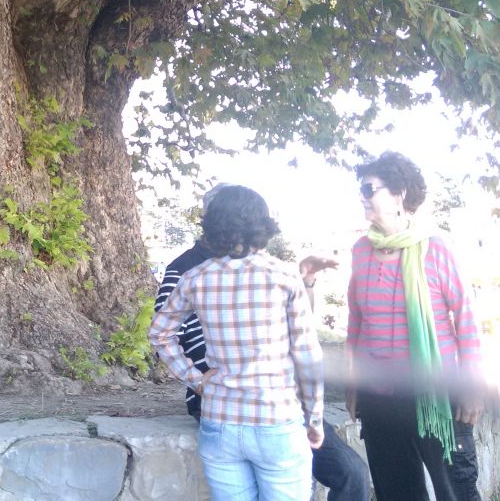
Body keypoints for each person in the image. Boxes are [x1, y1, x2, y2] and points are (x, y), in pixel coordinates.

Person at [154, 186, 369, 501]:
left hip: (220, 419)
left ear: (213, 223)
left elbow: (160, 333)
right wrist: (313, 420)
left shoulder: (196, 276)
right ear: (262, 225)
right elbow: (307, 356)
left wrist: (196, 378)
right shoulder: (281, 276)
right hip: (276, 419)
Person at [345, 151, 484, 501]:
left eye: (369, 188)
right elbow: (356, 322)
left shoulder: (434, 250)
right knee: (397, 494)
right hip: (379, 401)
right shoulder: (360, 251)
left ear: (399, 194)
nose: (362, 196)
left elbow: (465, 318)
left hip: (436, 397)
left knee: (457, 493)